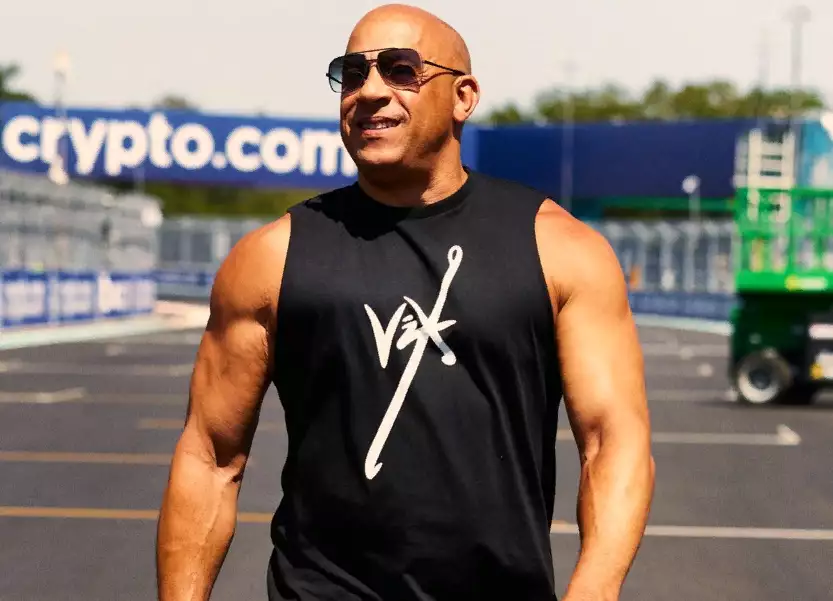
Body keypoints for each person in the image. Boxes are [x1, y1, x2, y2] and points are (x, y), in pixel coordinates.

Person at [155, 4, 655, 600]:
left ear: (464, 97)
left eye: (400, 70)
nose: (369, 91)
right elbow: (209, 458)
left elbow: (612, 441)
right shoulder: (271, 258)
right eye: (352, 73)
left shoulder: (560, 249)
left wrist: (593, 591)